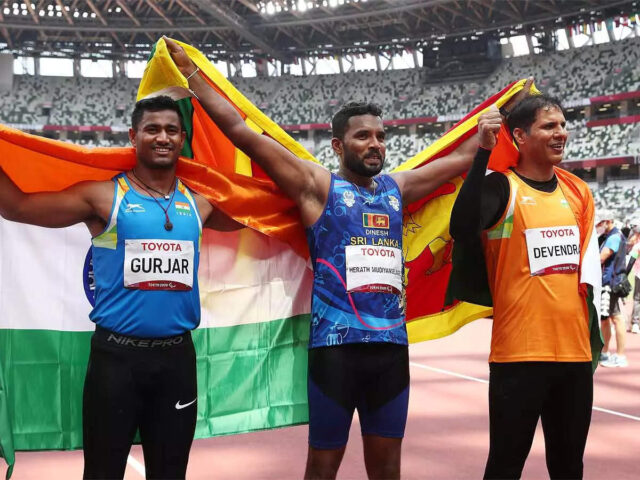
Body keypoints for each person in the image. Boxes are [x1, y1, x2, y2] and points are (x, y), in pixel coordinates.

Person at [164, 38, 513, 479]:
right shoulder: (317, 187)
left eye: (381, 137)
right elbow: (242, 132)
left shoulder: (397, 189)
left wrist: (499, 123)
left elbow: (464, 159)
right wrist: (193, 76)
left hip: (390, 351)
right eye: (363, 136)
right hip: (336, 352)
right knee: (323, 466)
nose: (375, 145)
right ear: (337, 144)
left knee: (387, 469)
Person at [0, 95, 243, 479]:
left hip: (177, 361)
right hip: (116, 361)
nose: (161, 137)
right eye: (152, 129)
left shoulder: (201, 205)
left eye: (171, 130)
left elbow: (263, 214)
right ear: (133, 135)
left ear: (182, 139)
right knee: (101, 474)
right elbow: (16, 207)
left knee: (170, 474)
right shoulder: (104, 197)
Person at [450, 94, 598, 479]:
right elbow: (462, 229)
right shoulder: (502, 188)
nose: (561, 133)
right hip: (519, 355)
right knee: (505, 466)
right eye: (549, 126)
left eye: (563, 125)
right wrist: (483, 152)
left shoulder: (578, 193)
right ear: (519, 135)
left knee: (569, 468)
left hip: (574, 357)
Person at [597, 209, 629, 367]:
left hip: (611, 283)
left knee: (615, 318)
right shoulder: (610, 236)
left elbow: (601, 257)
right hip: (610, 282)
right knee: (606, 319)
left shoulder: (614, 238)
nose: (598, 226)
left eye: (599, 223)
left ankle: (620, 355)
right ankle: (605, 352)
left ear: (607, 222)